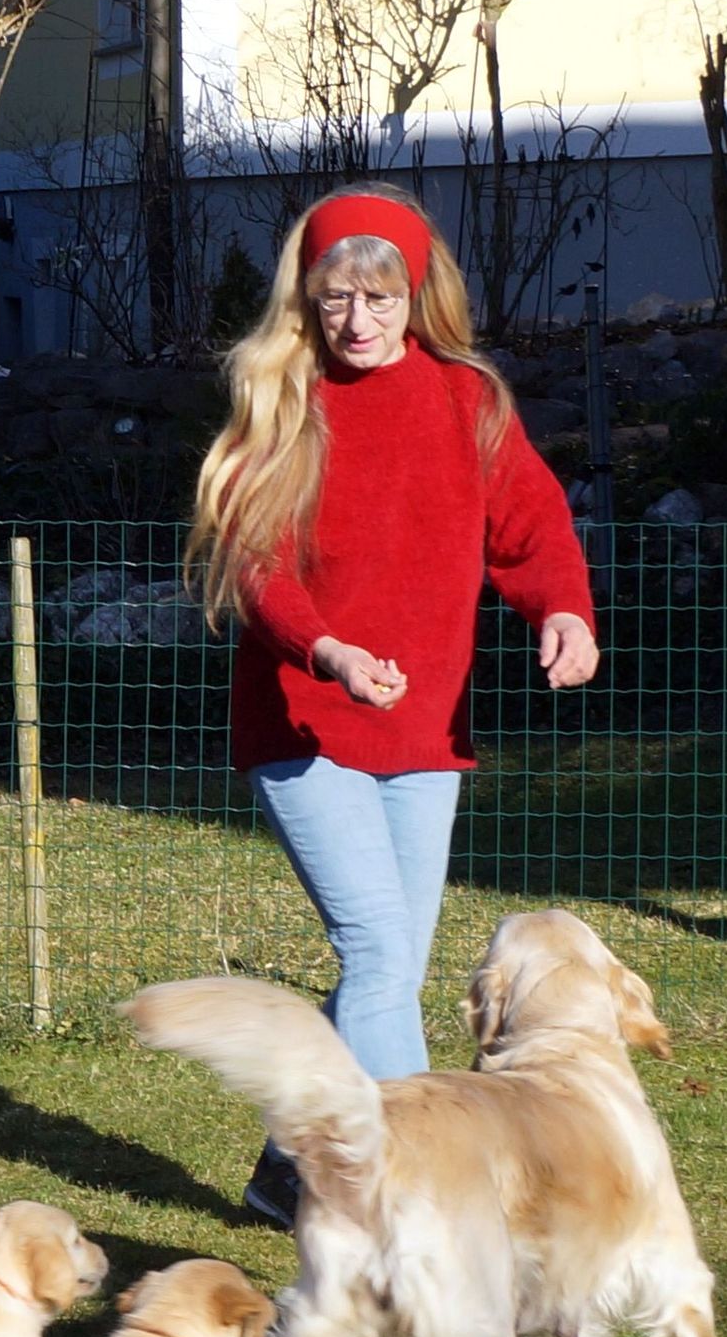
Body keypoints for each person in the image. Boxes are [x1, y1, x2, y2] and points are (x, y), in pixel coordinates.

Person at [183, 185, 597, 1226]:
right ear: (307, 301)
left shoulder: (466, 402)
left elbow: (532, 525)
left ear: (415, 297)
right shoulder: (283, 407)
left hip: (423, 732)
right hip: (304, 721)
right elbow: (256, 567)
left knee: (391, 972)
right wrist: (327, 649)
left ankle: (288, 1171)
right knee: (375, 954)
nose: (357, 320)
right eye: (336, 299)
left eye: (379, 298)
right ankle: (432, 1198)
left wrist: (563, 610)